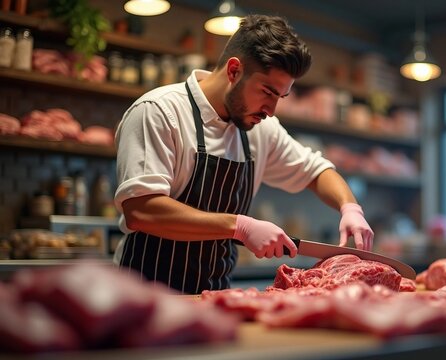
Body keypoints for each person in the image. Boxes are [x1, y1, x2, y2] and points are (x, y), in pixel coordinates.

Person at [113, 14, 374, 294]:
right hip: (141, 296)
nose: (271, 109)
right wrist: (239, 227)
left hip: (213, 297)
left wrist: (350, 208)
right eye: (267, 92)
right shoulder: (159, 112)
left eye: (280, 98)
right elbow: (141, 209)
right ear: (234, 70)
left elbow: (316, 171)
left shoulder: (261, 129)